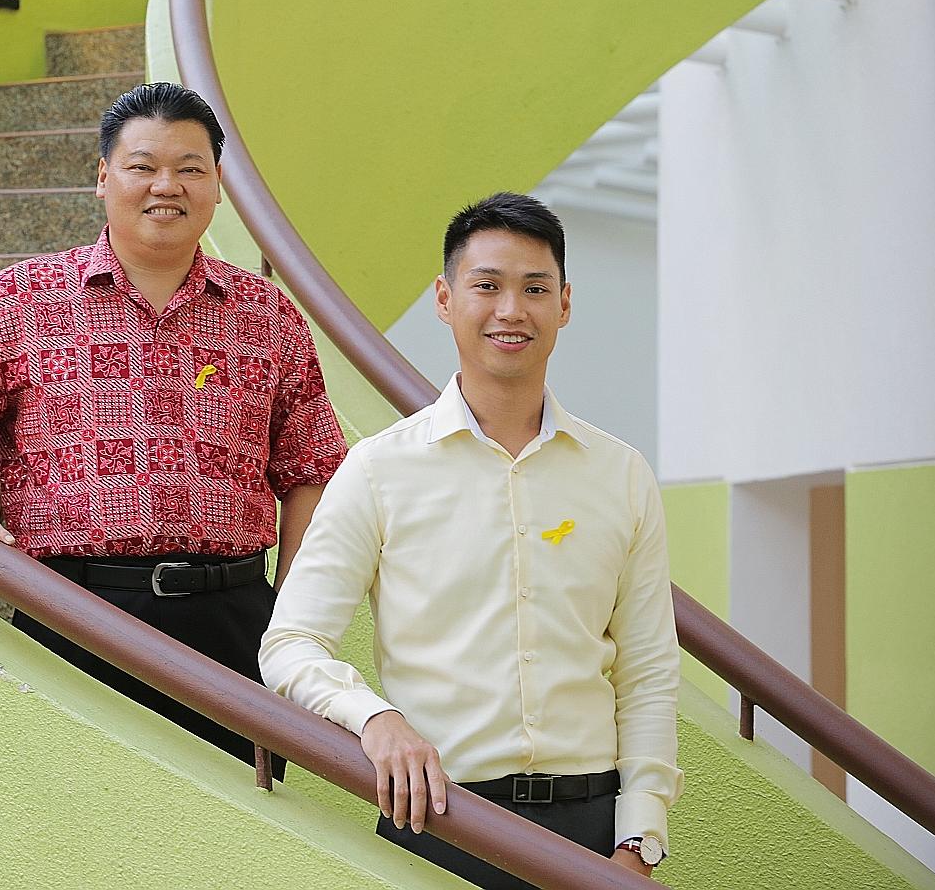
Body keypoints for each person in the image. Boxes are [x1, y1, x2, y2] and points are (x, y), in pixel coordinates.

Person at [0, 82, 349, 772]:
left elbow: (312, 471)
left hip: (231, 619)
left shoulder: (267, 316)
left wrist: (292, 618)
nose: (167, 185)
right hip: (71, 610)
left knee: (231, 838)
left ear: (218, 185)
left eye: (191, 168)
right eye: (142, 166)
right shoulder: (23, 298)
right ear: (103, 178)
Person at [260, 193, 681, 888]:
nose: (510, 310)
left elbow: (647, 673)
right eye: (486, 286)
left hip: (592, 832)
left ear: (565, 304)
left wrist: (639, 842)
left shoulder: (621, 475)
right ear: (445, 299)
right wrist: (376, 720)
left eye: (534, 289)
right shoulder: (379, 469)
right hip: (437, 821)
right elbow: (289, 644)